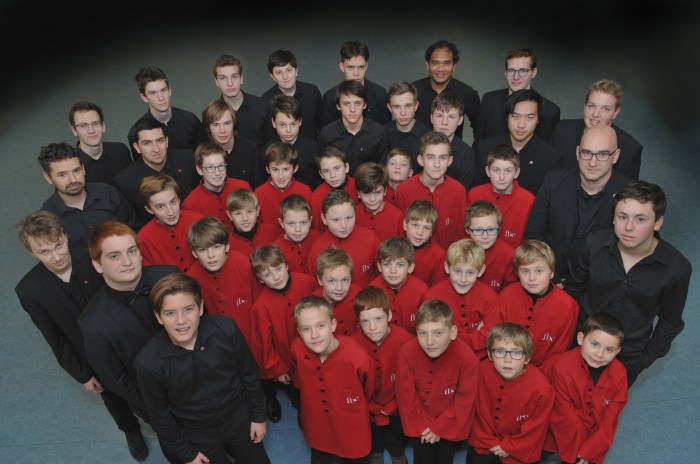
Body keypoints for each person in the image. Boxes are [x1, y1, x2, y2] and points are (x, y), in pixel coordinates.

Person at [15, 211, 146, 462]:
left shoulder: (92, 256)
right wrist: (82, 375)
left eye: (59, 245)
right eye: (44, 252)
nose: (56, 256)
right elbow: (55, 338)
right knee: (114, 398)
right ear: (32, 252)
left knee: (147, 384)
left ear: (65, 236)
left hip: (126, 338)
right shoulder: (29, 291)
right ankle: (131, 430)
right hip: (90, 357)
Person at [134, 273, 271, 464]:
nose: (181, 320)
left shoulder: (226, 330)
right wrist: (185, 452)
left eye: (188, 309)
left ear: (200, 308)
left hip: (239, 417)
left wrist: (258, 415)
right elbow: (160, 415)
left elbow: (249, 374)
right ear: (158, 317)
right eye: (170, 313)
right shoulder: (148, 363)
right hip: (196, 432)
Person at [565, 180, 692, 387]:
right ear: (613, 218)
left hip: (626, 357)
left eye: (640, 219)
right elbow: (572, 291)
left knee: (603, 406)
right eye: (622, 217)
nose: (629, 227)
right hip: (579, 342)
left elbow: (670, 322)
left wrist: (643, 360)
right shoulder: (593, 245)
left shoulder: (676, 268)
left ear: (658, 222)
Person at [77, 220, 180, 461]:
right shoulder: (93, 323)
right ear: (97, 265)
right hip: (159, 403)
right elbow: (119, 382)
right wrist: (157, 412)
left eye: (132, 251)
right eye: (114, 256)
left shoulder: (171, 275)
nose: (127, 261)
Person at [524, 124, 632, 283]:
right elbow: (534, 235)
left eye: (602, 154)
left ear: (615, 156)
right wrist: (552, 279)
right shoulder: (553, 181)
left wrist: (574, 287)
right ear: (577, 153)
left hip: (595, 285)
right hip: (550, 278)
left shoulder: (629, 195)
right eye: (587, 153)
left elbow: (627, 254)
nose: (592, 162)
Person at [290, 295, 376, 463]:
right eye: (306, 329)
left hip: (351, 426)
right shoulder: (296, 350)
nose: (314, 335)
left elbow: (369, 387)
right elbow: (298, 378)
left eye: (321, 325)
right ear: (299, 332)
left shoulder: (358, 357)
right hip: (317, 423)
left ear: (333, 325)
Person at [396, 298, 479, 464]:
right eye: (423, 333)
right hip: (420, 423)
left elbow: (464, 401)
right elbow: (407, 397)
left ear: (453, 332)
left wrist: (439, 428)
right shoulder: (406, 353)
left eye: (438, 333)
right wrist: (427, 428)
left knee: (445, 458)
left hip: (451, 423)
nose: (429, 342)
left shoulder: (468, 358)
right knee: (422, 458)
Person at [467, 322, 554, 464]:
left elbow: (536, 427)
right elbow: (474, 414)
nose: (507, 360)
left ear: (527, 358)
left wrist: (509, 446)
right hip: (483, 443)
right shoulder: (477, 372)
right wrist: (489, 442)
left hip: (519, 450)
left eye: (516, 353)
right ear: (490, 354)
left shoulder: (542, 388)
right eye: (500, 351)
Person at [546, 313, 628, 464]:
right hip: (562, 431)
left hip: (595, 438)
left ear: (617, 351)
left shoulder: (620, 374)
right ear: (581, 339)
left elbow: (610, 420)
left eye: (609, 350)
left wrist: (589, 451)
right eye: (595, 344)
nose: (599, 354)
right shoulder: (562, 368)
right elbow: (563, 415)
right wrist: (577, 453)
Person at [250, 244, 318, 424]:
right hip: (287, 360)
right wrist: (278, 370)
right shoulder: (261, 306)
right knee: (297, 395)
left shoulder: (307, 282)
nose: (276, 277)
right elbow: (264, 343)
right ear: (260, 280)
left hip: (315, 348)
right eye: (267, 274)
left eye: (278, 269)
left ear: (286, 265)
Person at [351, 286, 414, 464]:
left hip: (397, 403)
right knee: (371, 433)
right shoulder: (352, 343)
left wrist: (394, 405)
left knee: (398, 431)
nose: (372, 327)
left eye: (378, 318)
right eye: (365, 321)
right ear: (358, 322)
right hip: (367, 405)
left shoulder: (406, 341)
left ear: (389, 316)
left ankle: (397, 452)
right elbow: (352, 385)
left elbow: (411, 382)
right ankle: (376, 452)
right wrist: (371, 407)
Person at [39, 142, 140, 250]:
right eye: (62, 175)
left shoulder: (108, 193)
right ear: (48, 178)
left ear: (83, 169)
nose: (73, 180)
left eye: (76, 171)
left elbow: (136, 230)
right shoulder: (47, 217)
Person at [499, 240, 579, 374]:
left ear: (552, 272)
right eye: (525, 271)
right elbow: (497, 338)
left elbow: (558, 352)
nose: (532, 278)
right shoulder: (507, 295)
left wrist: (536, 377)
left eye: (539, 271)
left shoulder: (568, 306)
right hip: (504, 365)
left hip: (542, 374)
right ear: (517, 273)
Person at [474, 89, 563, 195]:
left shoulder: (551, 159)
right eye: (515, 116)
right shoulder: (485, 148)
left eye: (529, 118)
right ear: (507, 117)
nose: (521, 125)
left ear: (538, 119)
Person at [423, 238, 501, 359]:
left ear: (480, 271)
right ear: (447, 267)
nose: (463, 279)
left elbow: (492, 336)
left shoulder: (489, 296)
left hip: (481, 358)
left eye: (470, 273)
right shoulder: (432, 296)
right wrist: (477, 335)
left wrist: (451, 337)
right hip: (444, 357)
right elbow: (433, 336)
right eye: (457, 271)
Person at [549, 79, 642, 179]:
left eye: (605, 109)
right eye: (591, 106)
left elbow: (627, 187)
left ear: (615, 112)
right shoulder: (562, 129)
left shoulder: (630, 150)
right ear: (584, 107)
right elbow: (547, 168)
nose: (596, 114)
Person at [186, 215, 257, 346]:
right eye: (202, 250)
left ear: (227, 246)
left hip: (252, 341)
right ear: (194, 253)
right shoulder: (192, 278)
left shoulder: (244, 265)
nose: (211, 255)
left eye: (216, 247)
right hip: (217, 344)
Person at [115, 118, 199, 224]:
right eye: (147, 143)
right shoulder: (125, 182)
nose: (156, 149)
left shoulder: (188, 159)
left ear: (167, 141)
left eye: (160, 141)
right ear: (137, 147)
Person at [396, 131, 467, 249]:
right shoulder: (404, 189)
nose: (437, 164)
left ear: (450, 161)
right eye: (430, 157)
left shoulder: (458, 191)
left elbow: (460, 235)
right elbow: (400, 232)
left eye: (442, 158)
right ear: (420, 160)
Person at [475, 47, 561, 143]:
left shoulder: (550, 112)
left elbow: (544, 149)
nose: (516, 77)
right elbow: (478, 143)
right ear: (505, 72)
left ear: (533, 72)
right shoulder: (489, 100)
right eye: (511, 70)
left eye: (523, 71)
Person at [307, 189, 381, 287]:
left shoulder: (370, 238)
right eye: (336, 220)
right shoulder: (317, 248)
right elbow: (314, 284)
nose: (344, 225)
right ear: (324, 219)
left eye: (349, 218)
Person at [127, 66, 204, 159]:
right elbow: (141, 165)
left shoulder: (190, 120)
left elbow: (204, 156)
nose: (161, 98)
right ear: (144, 97)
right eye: (153, 93)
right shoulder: (136, 133)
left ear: (169, 91)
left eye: (163, 90)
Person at [468, 144, 534, 250]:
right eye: (496, 170)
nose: (501, 177)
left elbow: (529, 241)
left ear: (516, 173)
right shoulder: (475, 194)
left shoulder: (528, 201)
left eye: (508, 171)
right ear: (488, 171)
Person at [413, 39, 480, 142]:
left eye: (447, 63)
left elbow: (479, 127)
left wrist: (475, 150)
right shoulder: (413, 91)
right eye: (435, 63)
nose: (440, 69)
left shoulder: (467, 94)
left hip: (453, 151)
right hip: (417, 149)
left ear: (454, 66)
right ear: (427, 64)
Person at [319, 79, 390, 175]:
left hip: (370, 183)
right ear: (338, 106)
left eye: (357, 103)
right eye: (346, 104)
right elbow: (324, 167)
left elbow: (381, 169)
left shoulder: (379, 132)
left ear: (364, 104)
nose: (352, 109)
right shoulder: (327, 134)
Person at [137, 174, 203, 272]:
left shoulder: (199, 221)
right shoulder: (143, 239)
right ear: (149, 209)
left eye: (173, 202)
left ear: (179, 199)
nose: (171, 212)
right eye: (161, 207)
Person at [321, 40, 391, 127]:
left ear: (366, 66)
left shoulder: (380, 94)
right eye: (351, 67)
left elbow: (385, 130)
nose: (356, 73)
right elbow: (327, 132)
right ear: (342, 67)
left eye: (361, 67)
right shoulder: (330, 97)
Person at [368, 236, 428, 335]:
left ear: (410, 267)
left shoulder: (422, 291)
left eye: (400, 265)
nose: (393, 271)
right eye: (387, 264)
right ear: (379, 266)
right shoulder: (371, 291)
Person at [182, 140, 252, 223]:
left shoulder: (243, 187)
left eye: (221, 166)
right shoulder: (190, 204)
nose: (217, 173)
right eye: (210, 167)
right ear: (199, 170)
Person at [201, 98, 265, 188]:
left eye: (227, 123)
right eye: (216, 125)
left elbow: (258, 188)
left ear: (234, 124)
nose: (222, 130)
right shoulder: (203, 154)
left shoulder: (251, 149)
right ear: (208, 128)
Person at [261, 49, 323, 141]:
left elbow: (322, 124)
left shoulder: (312, 92)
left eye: (289, 70)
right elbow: (267, 134)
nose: (285, 77)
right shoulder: (265, 101)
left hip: (311, 148)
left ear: (296, 71)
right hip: (280, 149)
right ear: (272, 76)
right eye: (279, 72)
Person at [212, 53, 271, 149]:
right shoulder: (212, 114)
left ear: (241, 78)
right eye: (223, 78)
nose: (230, 83)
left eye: (234, 77)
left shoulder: (263, 106)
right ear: (216, 81)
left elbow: (272, 143)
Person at [69, 100, 133, 184]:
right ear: (74, 130)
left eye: (95, 123)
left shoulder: (120, 150)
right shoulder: (70, 165)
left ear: (103, 126)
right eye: (83, 126)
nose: (91, 130)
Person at [266, 94, 321, 189]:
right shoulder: (266, 150)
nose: (288, 130)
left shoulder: (313, 148)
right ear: (273, 123)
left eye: (293, 124)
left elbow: (319, 181)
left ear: (300, 121)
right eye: (282, 125)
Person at [464, 200, 518, 293]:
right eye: (478, 230)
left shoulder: (509, 255)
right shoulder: (458, 252)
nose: (485, 236)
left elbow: (511, 291)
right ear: (467, 230)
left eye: (491, 229)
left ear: (499, 228)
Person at [254, 141, 312, 225]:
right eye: (275, 169)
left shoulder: (305, 191)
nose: (280, 176)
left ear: (295, 168)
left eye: (286, 169)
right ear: (268, 169)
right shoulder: (259, 193)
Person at [430, 90, 477, 190]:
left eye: (451, 117)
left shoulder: (467, 154)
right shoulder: (417, 146)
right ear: (431, 118)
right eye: (439, 115)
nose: (444, 122)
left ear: (460, 120)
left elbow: (462, 192)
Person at [312, 245, 363, 337]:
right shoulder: (313, 306)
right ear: (320, 280)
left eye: (345, 280)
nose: (339, 288)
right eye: (332, 281)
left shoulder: (358, 294)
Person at [309, 145, 359, 233]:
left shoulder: (359, 186)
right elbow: (318, 231)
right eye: (326, 171)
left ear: (346, 167)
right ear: (321, 174)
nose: (333, 175)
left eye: (337, 168)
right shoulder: (316, 198)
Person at [384, 80, 430, 171]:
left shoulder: (427, 136)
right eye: (397, 107)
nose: (403, 113)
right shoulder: (382, 133)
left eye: (408, 106)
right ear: (389, 108)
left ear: (416, 106)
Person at [354, 161, 404, 242]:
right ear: (359, 193)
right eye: (366, 194)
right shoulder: (352, 215)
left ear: (385, 191)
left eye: (377, 193)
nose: (372, 199)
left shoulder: (397, 216)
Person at [402, 200, 447, 288]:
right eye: (415, 225)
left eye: (426, 228)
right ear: (405, 225)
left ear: (432, 232)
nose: (420, 232)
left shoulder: (439, 255)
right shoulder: (395, 247)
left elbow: (438, 288)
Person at [225, 188, 280, 258]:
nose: (245, 218)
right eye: (238, 213)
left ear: (257, 211)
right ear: (229, 215)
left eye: (249, 212)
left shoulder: (272, 231)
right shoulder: (228, 243)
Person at [273, 193, 321, 274]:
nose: (298, 229)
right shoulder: (275, 250)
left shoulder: (319, 239)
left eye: (303, 223)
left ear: (310, 221)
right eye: (291, 223)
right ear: (281, 223)